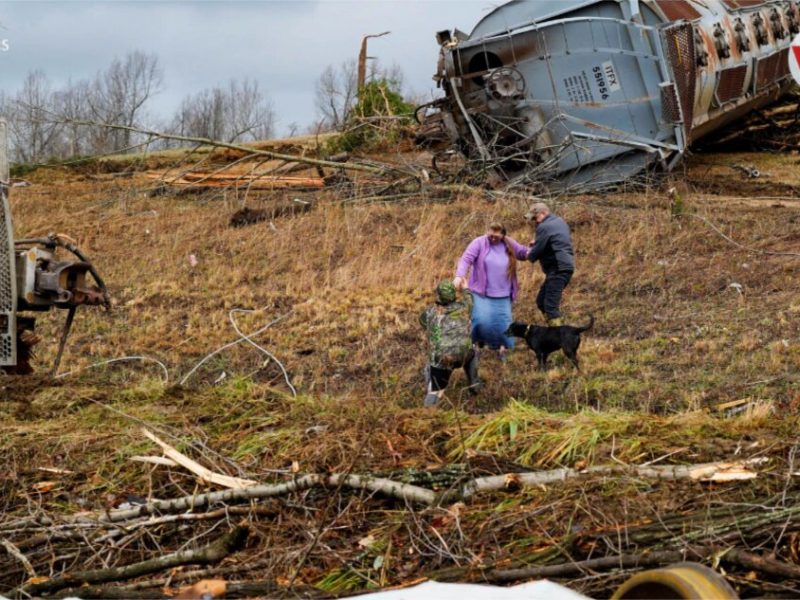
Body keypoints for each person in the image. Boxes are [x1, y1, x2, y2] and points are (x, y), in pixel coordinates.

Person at [453, 222, 530, 360]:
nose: (493, 237)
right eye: (491, 233)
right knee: (481, 321)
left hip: (503, 292)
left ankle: (502, 349)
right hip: (481, 292)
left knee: (503, 324)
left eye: (497, 234)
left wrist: (534, 248)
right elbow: (466, 259)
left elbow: (523, 253)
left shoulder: (509, 243)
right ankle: (475, 346)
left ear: (503, 234)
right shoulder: (479, 242)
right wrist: (459, 275)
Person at [419, 281, 478, 407]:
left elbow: (423, 323)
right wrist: (465, 287)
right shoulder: (465, 307)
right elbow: (470, 297)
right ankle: (474, 384)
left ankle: (426, 414)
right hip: (465, 355)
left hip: (443, 359)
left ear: (438, 296)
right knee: (474, 349)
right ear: (454, 295)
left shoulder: (430, 313)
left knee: (435, 390)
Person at [524, 202, 575, 327]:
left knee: (550, 306)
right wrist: (537, 241)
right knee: (541, 301)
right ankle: (555, 330)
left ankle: (559, 336)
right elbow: (555, 239)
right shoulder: (559, 221)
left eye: (536, 218)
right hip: (563, 267)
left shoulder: (544, 226)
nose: (535, 221)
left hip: (558, 268)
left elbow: (536, 251)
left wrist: (526, 254)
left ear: (544, 213)